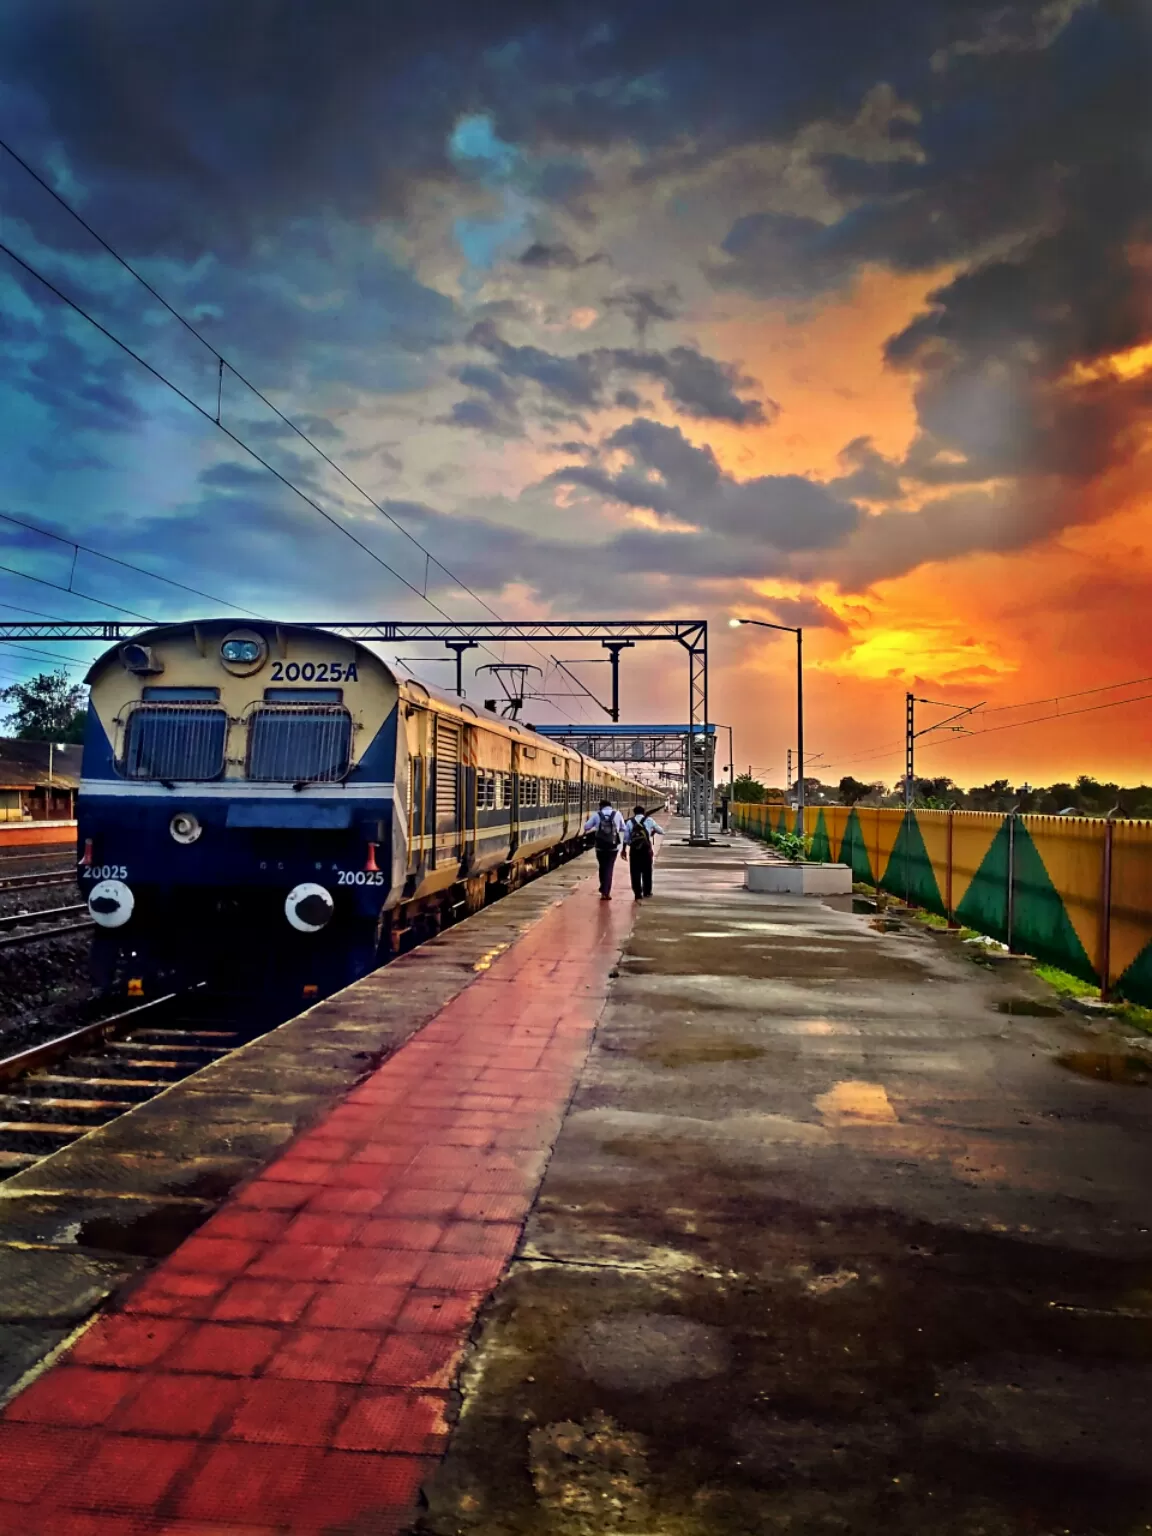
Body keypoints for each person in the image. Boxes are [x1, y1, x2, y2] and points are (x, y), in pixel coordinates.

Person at [584, 798, 626, 899]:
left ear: (600, 806)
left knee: (602, 867)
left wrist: (598, 827)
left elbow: (586, 827)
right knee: (609, 868)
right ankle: (606, 892)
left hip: (600, 847)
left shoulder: (597, 814)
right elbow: (623, 828)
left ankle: (603, 888)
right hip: (613, 847)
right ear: (610, 806)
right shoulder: (617, 814)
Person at [622, 805, 664, 899]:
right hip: (646, 850)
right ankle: (647, 892)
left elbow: (626, 838)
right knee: (647, 871)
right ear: (644, 812)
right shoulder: (649, 820)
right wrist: (653, 831)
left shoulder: (629, 822)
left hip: (634, 850)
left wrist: (624, 850)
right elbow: (661, 831)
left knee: (635, 871)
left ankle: (637, 893)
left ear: (634, 812)